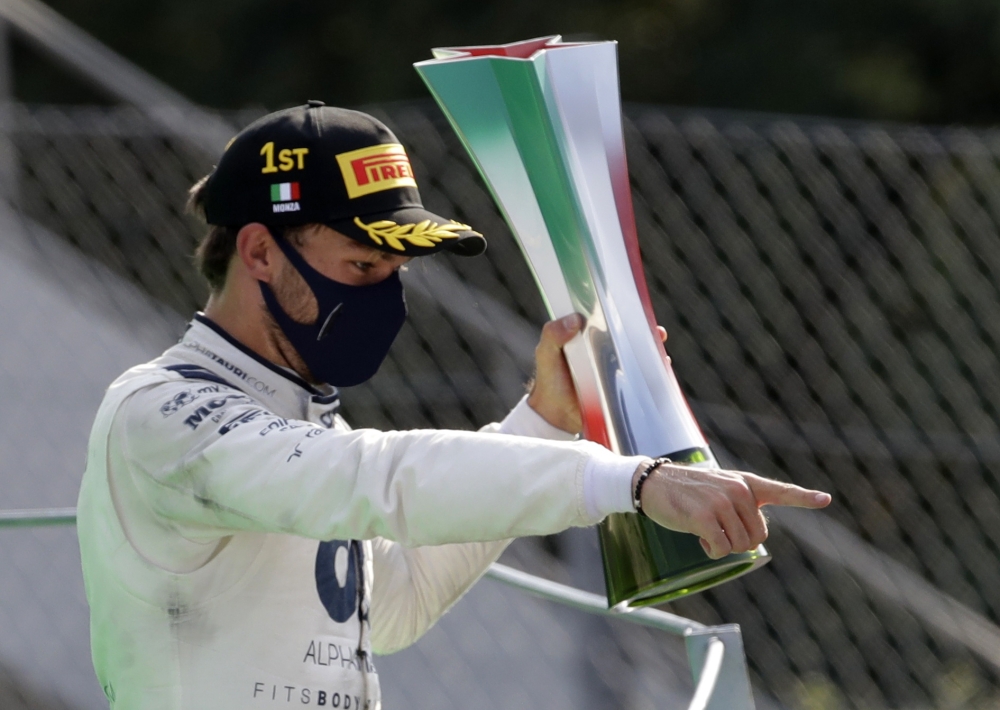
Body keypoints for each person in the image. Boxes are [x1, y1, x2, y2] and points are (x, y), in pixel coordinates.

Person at [77, 101, 830, 710]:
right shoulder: (163, 415)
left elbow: (391, 607)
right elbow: (375, 479)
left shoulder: (306, 424)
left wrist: (544, 418)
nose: (384, 294)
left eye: (396, 270)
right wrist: (629, 481)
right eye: (363, 265)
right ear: (260, 252)